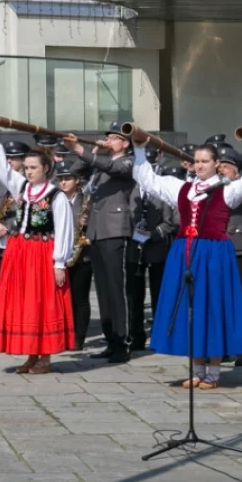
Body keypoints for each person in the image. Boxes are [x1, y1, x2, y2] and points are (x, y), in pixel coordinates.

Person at [130, 138, 242, 389]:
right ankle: (198, 369)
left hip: (213, 254)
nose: (200, 165)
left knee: (212, 308)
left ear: (217, 164)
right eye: (197, 161)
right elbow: (148, 180)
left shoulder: (227, 190)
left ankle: (214, 372)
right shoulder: (181, 187)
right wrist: (138, 149)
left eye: (205, 161)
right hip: (185, 252)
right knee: (190, 309)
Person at [0, 147, 75, 373]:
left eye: (33, 167)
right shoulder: (22, 187)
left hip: (41, 252)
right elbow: (1, 169)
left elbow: (65, 229)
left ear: (46, 168)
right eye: (26, 167)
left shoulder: (56, 196)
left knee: (42, 300)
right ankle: (31, 354)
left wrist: (59, 263)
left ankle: (45, 357)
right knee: (25, 301)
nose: (28, 172)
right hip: (19, 251)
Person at [65, 121, 136, 364]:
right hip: (96, 231)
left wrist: (81, 149)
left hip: (116, 229)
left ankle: (123, 341)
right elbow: (75, 171)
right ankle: (111, 340)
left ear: (125, 143)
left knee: (117, 289)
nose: (108, 140)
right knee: (104, 291)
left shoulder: (127, 161)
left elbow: (116, 170)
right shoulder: (100, 163)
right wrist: (89, 151)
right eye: (107, 137)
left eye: (113, 138)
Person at [127, 172, 177, 353]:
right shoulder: (131, 192)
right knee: (134, 296)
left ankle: (159, 336)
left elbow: (169, 223)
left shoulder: (160, 193)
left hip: (156, 249)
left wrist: (152, 235)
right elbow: (126, 218)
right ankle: (136, 336)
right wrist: (136, 234)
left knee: (159, 295)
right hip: (135, 249)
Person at [220, 147, 242, 365]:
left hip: (236, 247)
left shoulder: (240, 188)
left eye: (227, 167)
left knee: (240, 299)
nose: (222, 171)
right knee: (218, 300)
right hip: (215, 247)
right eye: (219, 166)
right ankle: (220, 347)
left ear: (237, 172)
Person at [54, 162, 93, 350]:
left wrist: (88, 226)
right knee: (60, 298)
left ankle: (79, 338)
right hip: (59, 255)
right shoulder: (53, 199)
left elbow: (96, 226)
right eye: (60, 179)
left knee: (80, 298)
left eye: (67, 179)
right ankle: (62, 336)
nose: (63, 183)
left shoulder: (87, 200)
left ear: (77, 181)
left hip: (81, 254)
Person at [0, 135, 28, 288]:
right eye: (7, 157)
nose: (9, 161)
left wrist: (11, 227)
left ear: (23, 160)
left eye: (14, 158)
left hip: (21, 243)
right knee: (1, 286)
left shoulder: (29, 184)